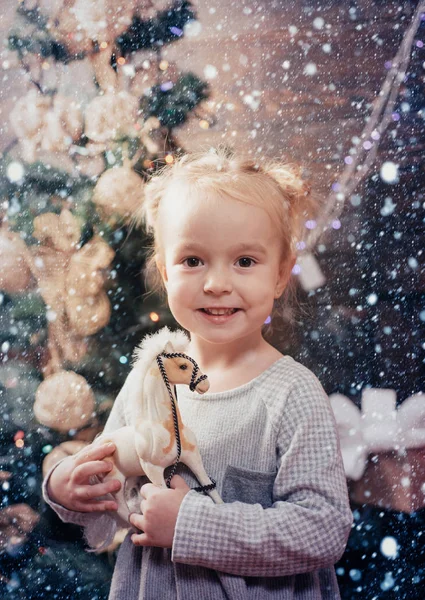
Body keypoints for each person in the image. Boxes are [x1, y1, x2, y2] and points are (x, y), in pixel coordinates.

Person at [43, 148, 353, 599]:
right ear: (166, 273)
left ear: (281, 274)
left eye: (245, 261)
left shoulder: (293, 394)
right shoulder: (152, 378)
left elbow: (323, 530)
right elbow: (105, 491)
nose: (216, 283)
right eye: (193, 261)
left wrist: (191, 523)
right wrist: (66, 488)